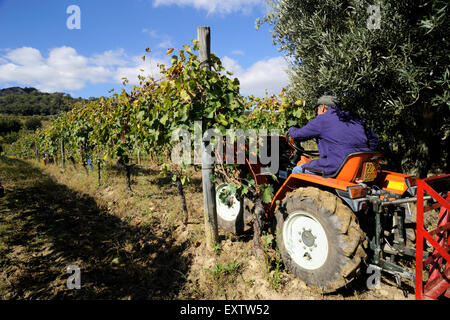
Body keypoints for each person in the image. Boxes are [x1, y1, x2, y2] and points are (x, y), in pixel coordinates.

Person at [289, 95, 379, 175]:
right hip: (362, 165)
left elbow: (298, 135)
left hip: (337, 165)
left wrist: (291, 129)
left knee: (296, 170)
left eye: (317, 109)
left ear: (323, 107)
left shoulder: (322, 119)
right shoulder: (354, 118)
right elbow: (374, 140)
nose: (317, 113)